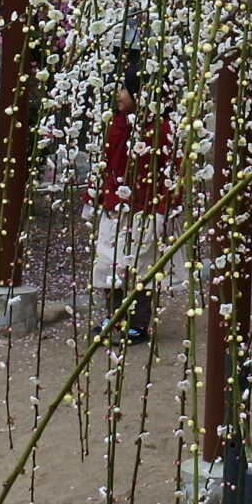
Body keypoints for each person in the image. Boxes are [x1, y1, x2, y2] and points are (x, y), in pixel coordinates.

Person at [92, 60, 175, 343]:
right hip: (116, 205)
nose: (118, 94)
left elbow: (171, 170)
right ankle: (114, 315)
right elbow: (106, 162)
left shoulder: (162, 129)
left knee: (143, 265)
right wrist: (97, 195)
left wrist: (164, 208)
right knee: (108, 259)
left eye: (125, 89)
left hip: (145, 207)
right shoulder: (115, 123)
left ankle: (139, 322)